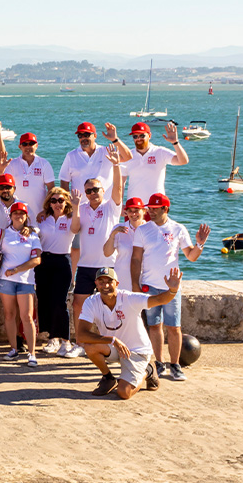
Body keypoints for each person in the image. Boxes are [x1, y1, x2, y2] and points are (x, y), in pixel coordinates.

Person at [131, 193, 210, 381]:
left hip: (172, 287)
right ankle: (159, 363)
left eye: (155, 209)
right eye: (149, 208)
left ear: (165, 209)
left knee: (174, 327)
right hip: (149, 286)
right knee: (154, 325)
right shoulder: (142, 230)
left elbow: (191, 256)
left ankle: (175, 365)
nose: (151, 211)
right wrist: (135, 283)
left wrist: (199, 243)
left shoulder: (178, 229)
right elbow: (136, 259)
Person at [76, 267, 179, 399]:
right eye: (101, 282)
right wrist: (113, 340)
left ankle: (148, 370)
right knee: (90, 346)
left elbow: (158, 300)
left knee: (124, 393)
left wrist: (172, 290)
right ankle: (108, 378)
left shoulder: (129, 298)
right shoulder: (91, 302)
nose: (105, 286)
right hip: (114, 347)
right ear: (96, 283)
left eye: (109, 282)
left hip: (137, 351)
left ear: (117, 284)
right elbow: (81, 335)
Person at [70, 154, 125, 357]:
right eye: (88, 191)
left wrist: (117, 165)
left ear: (103, 191)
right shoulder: (81, 208)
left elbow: (119, 189)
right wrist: (75, 206)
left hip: (107, 266)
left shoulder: (111, 207)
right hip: (85, 265)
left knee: (109, 305)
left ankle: (112, 342)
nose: (92, 193)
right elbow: (75, 229)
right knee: (78, 304)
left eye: (96, 190)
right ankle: (80, 342)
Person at [0, 203, 42, 366]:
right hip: (6, 280)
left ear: (26, 216)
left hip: (25, 281)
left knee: (27, 317)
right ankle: (13, 349)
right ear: (10, 216)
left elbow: (37, 260)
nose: (18, 215)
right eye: (15, 213)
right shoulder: (2, 233)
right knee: (9, 315)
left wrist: (16, 269)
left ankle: (32, 353)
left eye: (21, 213)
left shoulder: (32, 235)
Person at [35, 186, 80, 356]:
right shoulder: (43, 218)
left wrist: (76, 207)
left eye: (61, 200)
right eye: (53, 200)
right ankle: (52, 338)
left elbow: (75, 229)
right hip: (44, 261)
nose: (57, 204)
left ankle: (66, 341)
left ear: (66, 202)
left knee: (60, 302)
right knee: (45, 300)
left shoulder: (70, 218)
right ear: (49, 203)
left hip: (62, 261)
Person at [114, 121, 189, 203]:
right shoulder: (127, 156)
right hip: (133, 208)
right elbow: (121, 183)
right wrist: (119, 206)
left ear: (149, 136)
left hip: (156, 206)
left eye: (142, 135)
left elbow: (183, 161)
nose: (138, 139)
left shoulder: (160, 152)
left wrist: (175, 142)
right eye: (135, 136)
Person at [0, 131, 54, 217]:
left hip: (40, 214)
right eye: (25, 144)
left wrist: (46, 210)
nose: (28, 147)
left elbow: (51, 189)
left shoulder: (44, 164)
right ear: (20, 147)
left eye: (31, 144)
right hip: (17, 214)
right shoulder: (12, 163)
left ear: (36, 146)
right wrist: (1, 168)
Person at [59, 122, 119, 195]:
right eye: (80, 135)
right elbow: (64, 181)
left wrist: (115, 140)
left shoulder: (107, 152)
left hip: (105, 205)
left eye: (86, 135)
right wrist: (69, 202)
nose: (83, 138)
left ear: (95, 136)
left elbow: (128, 156)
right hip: (80, 205)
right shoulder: (71, 156)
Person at [104, 197, 147, 297]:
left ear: (144, 211)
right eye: (130, 211)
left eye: (137, 210)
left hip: (145, 279)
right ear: (126, 212)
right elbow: (107, 253)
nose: (133, 214)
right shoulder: (118, 228)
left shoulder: (150, 229)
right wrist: (113, 234)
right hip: (122, 279)